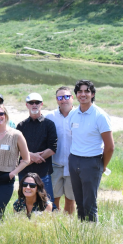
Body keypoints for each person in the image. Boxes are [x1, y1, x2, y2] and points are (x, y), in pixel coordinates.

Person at [67, 80, 114, 223]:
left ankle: (92, 231)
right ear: (76, 95)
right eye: (79, 91)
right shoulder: (73, 114)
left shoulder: (100, 116)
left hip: (92, 161)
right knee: (79, 201)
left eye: (87, 91)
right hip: (74, 160)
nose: (83, 94)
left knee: (89, 203)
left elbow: (110, 147)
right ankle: (82, 230)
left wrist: (102, 166)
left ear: (92, 94)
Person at [16, 92, 57, 201]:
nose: (34, 105)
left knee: (47, 202)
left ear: (41, 104)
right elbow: (16, 148)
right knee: (24, 202)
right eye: (31, 102)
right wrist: (31, 156)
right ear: (27, 105)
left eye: (37, 102)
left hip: (43, 171)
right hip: (25, 172)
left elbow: (52, 148)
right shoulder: (21, 125)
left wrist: (30, 159)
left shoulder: (49, 124)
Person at [46, 86, 76, 214]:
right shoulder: (49, 116)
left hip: (73, 165)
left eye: (66, 96)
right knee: (53, 199)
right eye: (60, 97)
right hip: (55, 165)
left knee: (70, 199)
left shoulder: (79, 115)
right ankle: (55, 222)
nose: (63, 100)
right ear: (56, 99)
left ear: (72, 98)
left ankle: (68, 223)